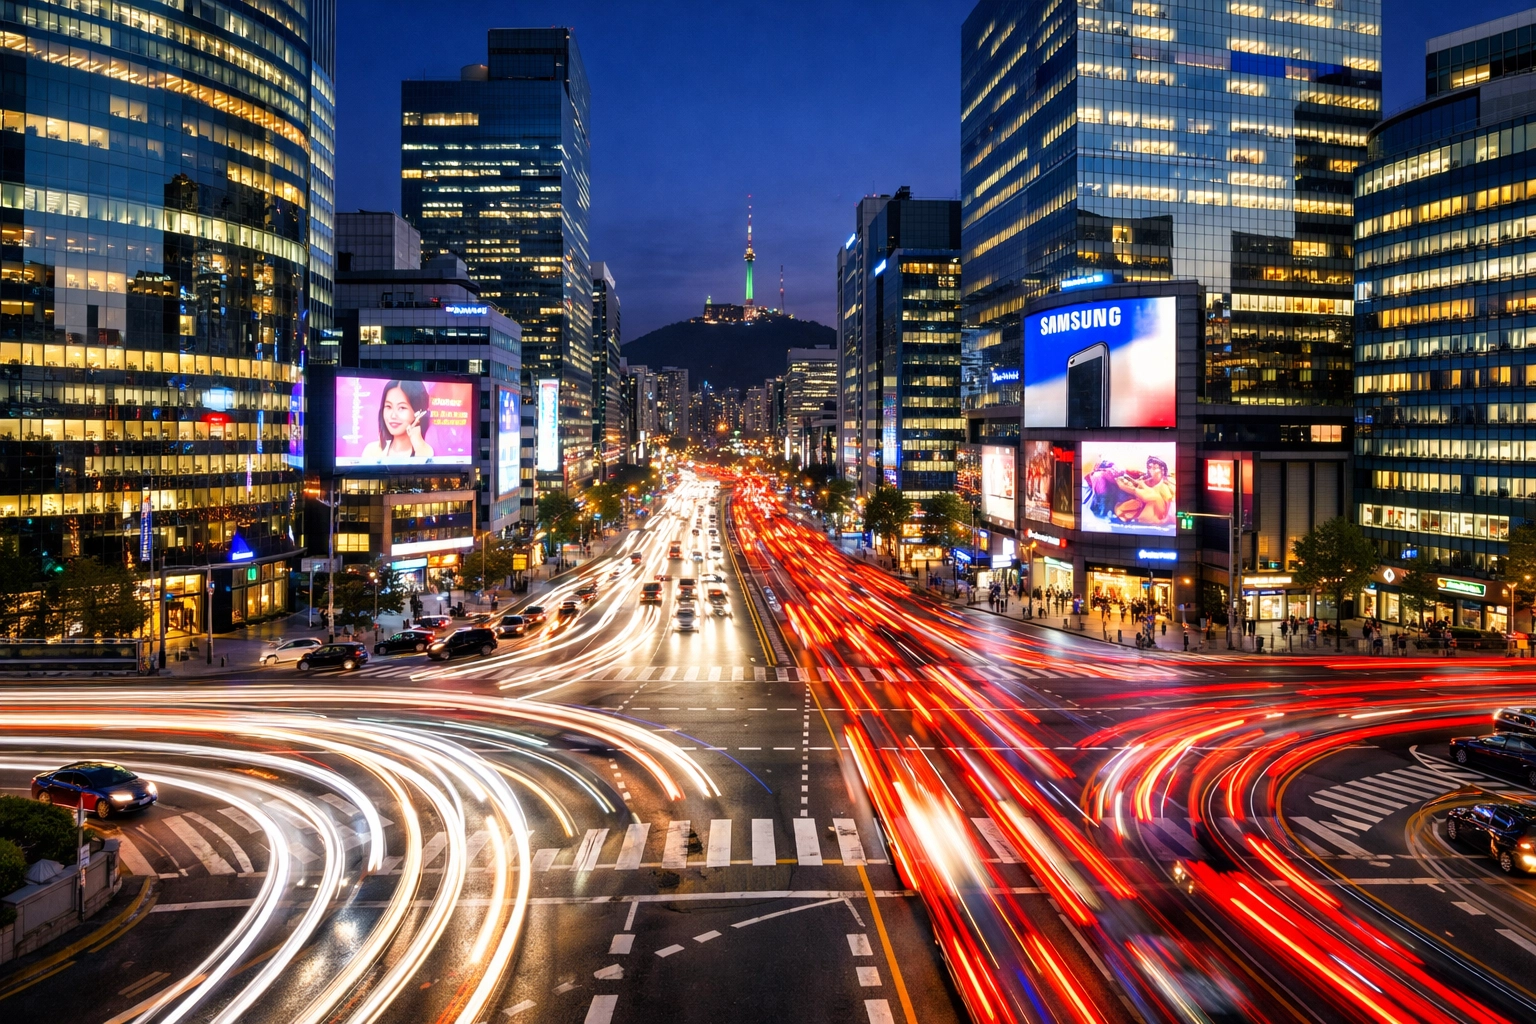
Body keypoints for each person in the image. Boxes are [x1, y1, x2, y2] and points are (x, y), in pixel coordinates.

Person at [360, 380, 435, 462]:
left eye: (402, 408)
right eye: (388, 406)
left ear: (418, 412)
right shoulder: (371, 452)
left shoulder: (426, 452)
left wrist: (419, 446)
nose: (393, 416)